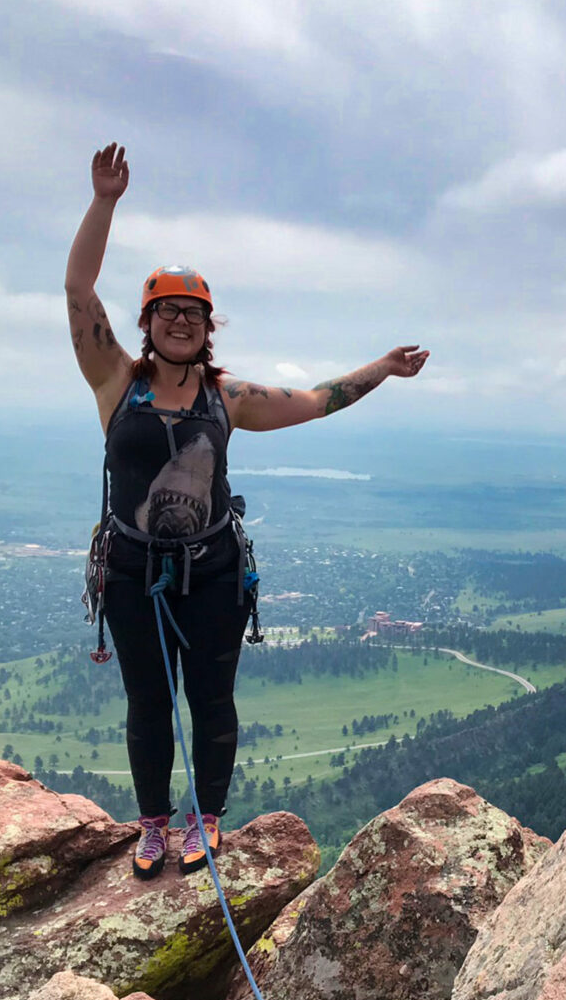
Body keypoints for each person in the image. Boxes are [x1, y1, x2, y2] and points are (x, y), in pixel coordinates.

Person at [65, 142, 428, 880]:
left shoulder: (226, 399)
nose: (179, 322)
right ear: (146, 322)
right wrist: (104, 201)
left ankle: (206, 819)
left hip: (213, 570)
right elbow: (77, 287)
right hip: (134, 570)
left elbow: (318, 401)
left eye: (192, 314)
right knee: (147, 702)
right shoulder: (114, 380)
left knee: (210, 697)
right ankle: (154, 825)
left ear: (208, 327)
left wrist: (382, 370)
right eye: (166, 312)